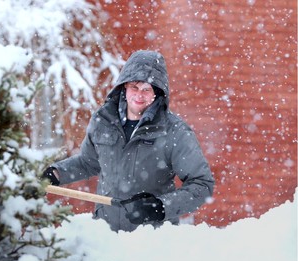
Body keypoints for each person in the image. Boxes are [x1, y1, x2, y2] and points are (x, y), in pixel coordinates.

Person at [42, 50, 215, 232]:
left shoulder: (174, 131)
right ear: (123, 87)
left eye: (147, 89)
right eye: (134, 87)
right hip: (105, 235)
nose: (139, 95)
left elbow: (202, 185)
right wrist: (57, 173)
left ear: (157, 93)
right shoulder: (104, 121)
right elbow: (88, 162)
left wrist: (161, 206)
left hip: (151, 239)